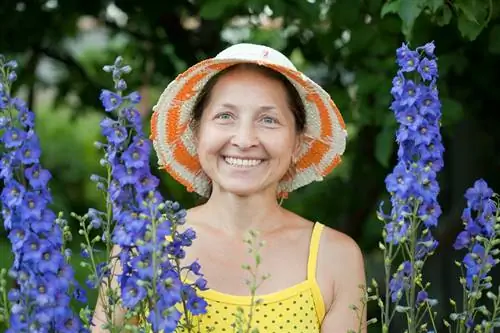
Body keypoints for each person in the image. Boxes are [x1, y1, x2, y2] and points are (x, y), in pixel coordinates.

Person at [92, 43, 366, 333]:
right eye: (225, 116)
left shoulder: (335, 257)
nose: (245, 139)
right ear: (196, 132)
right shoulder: (143, 245)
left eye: (268, 120)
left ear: (297, 142)